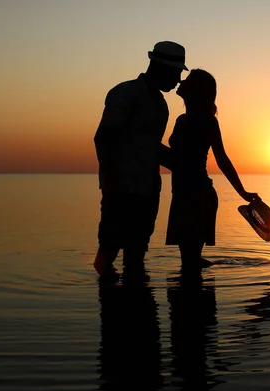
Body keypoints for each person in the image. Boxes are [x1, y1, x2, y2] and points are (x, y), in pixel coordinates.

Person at [94, 41, 187, 279]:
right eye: (176, 73)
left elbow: (151, 147)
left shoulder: (161, 105)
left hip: (147, 188)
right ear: (161, 68)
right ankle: (111, 302)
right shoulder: (124, 93)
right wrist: (113, 182)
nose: (178, 80)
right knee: (109, 247)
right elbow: (103, 138)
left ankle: (135, 305)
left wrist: (183, 165)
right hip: (121, 188)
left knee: (137, 252)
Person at [165, 69, 258, 270]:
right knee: (190, 263)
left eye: (188, 80)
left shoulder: (205, 121)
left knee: (189, 264)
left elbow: (222, 160)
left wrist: (242, 192)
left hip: (197, 196)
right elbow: (178, 160)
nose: (182, 81)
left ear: (196, 90)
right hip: (184, 194)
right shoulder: (182, 120)